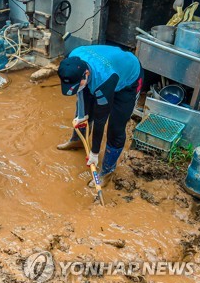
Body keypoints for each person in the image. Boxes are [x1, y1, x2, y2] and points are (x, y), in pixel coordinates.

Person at [57, 45, 143, 186]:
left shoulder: (104, 80)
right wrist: (81, 116)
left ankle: (107, 172)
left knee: (116, 127)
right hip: (105, 70)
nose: (76, 88)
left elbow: (100, 120)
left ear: (86, 74)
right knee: (84, 111)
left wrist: (95, 153)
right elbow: (81, 91)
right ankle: (78, 141)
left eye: (78, 84)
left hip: (128, 80)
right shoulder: (72, 59)